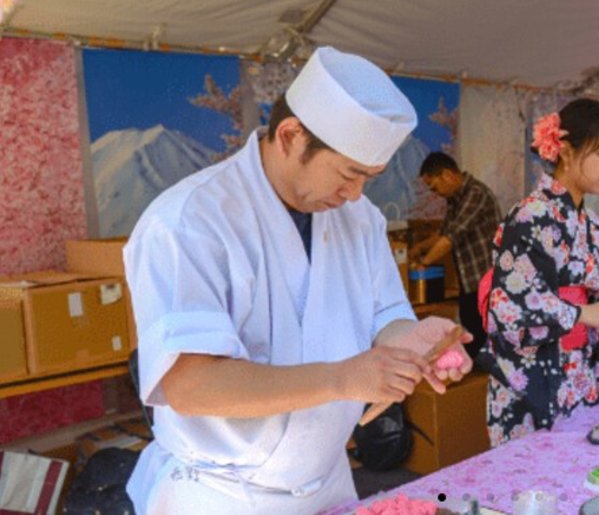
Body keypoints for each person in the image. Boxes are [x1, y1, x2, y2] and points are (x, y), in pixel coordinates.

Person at [124, 47, 473, 513]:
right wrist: (341, 379)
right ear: (290, 136)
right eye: (348, 174)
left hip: (326, 480)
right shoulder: (189, 221)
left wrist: (413, 340)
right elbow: (190, 386)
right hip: (221, 494)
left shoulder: (359, 217)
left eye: (369, 178)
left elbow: (384, 314)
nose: (354, 194)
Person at [482, 98, 599, 446]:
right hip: (531, 377)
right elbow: (511, 307)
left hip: (578, 371)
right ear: (566, 151)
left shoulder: (590, 222)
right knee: (529, 483)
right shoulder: (529, 217)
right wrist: (586, 312)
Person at [413, 151, 501, 360]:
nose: (436, 193)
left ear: (447, 175)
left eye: (434, 187)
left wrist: (423, 262)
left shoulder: (475, 194)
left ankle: (484, 387)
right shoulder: (456, 199)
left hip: (488, 282)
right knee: (472, 335)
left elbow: (451, 237)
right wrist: (418, 248)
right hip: (470, 282)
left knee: (484, 343)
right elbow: (442, 232)